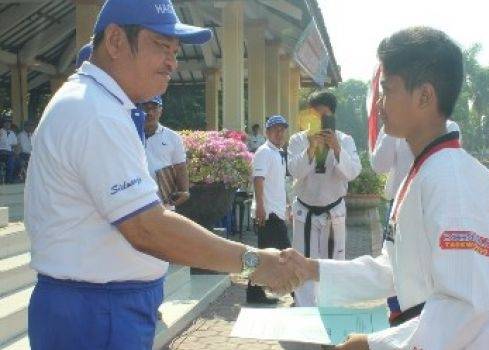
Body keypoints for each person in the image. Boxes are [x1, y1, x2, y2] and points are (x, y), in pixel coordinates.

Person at [24, 1, 300, 349]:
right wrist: (254, 262)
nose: (172, 62)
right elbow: (147, 228)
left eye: (175, 50)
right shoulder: (95, 113)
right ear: (115, 41)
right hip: (96, 312)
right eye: (161, 46)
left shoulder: (100, 105)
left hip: (101, 306)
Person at [281, 27, 489, 350]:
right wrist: (312, 268)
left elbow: (465, 306)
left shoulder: (454, 181)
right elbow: (394, 269)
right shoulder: (423, 171)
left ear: (425, 96)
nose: (378, 104)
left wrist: (372, 345)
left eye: (386, 91)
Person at [371, 116, 461, 322]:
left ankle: (428, 318)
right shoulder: (392, 128)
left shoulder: (448, 127)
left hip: (432, 207)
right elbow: (379, 165)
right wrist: (390, 127)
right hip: (398, 207)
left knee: (427, 267)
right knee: (395, 264)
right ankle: (398, 316)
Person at [287, 90, 361, 307]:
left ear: (333, 116)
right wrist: (310, 149)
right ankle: (305, 311)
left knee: (334, 264)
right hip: (305, 211)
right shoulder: (298, 140)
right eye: (314, 115)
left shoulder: (345, 140)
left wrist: (337, 149)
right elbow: (294, 171)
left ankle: (331, 310)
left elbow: (353, 172)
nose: (319, 121)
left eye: (324, 116)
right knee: (302, 262)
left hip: (333, 211)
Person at [247, 115, 293, 304]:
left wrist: (287, 206)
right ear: (267, 132)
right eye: (275, 129)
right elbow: (259, 180)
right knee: (283, 255)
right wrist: (260, 207)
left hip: (277, 211)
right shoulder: (264, 152)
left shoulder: (278, 153)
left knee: (263, 255)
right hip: (268, 214)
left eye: (282, 129)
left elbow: (279, 185)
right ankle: (296, 293)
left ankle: (254, 293)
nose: (279, 133)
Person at [141, 95, 190, 208]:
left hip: (164, 201)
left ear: (161, 110)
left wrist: (184, 192)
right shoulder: (129, 134)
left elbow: (180, 167)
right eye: (145, 108)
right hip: (136, 202)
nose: (150, 112)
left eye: (154, 108)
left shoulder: (173, 137)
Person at [0, 117, 18, 183]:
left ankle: (9, 180)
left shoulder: (12, 133)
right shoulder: (0, 131)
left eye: (9, 123)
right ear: (3, 124)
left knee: (12, 162)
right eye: (6, 122)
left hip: (9, 152)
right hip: (1, 151)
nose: (8, 124)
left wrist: (15, 151)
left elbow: (15, 144)